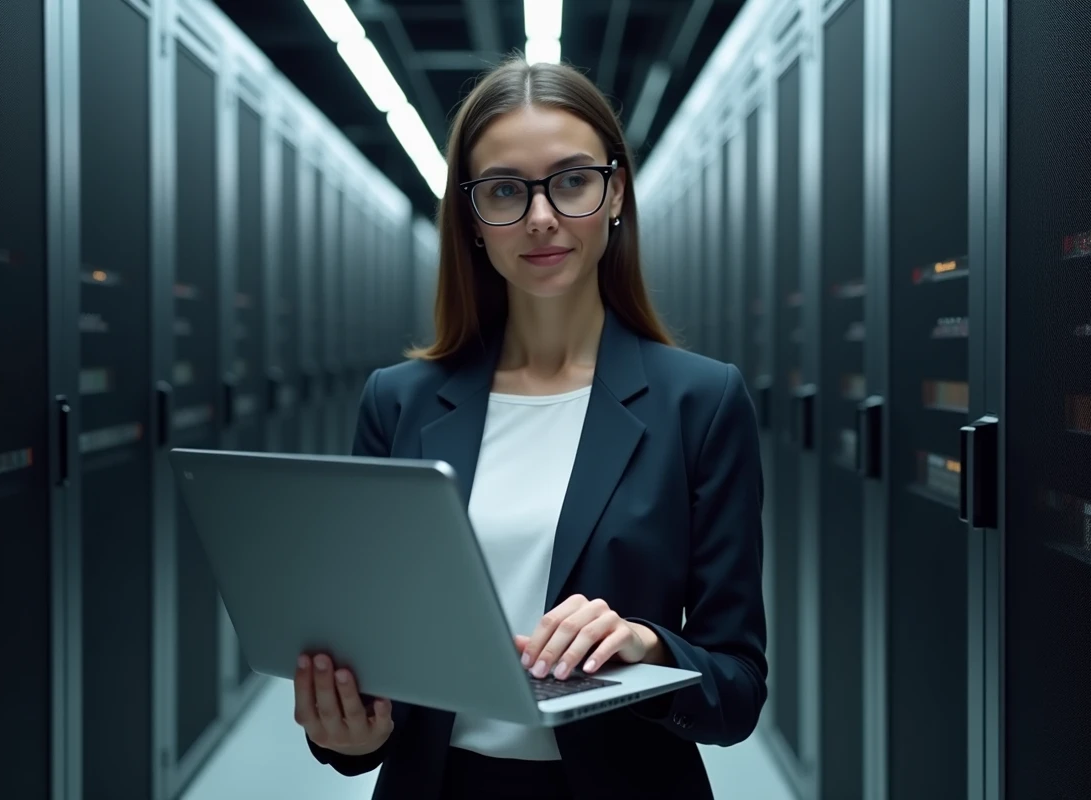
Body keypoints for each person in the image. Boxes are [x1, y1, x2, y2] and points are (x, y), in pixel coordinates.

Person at [292, 55, 768, 799]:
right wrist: (350, 736)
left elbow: (736, 689)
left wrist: (646, 647)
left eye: (572, 180)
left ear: (615, 194)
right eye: (506, 190)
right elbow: (377, 663)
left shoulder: (700, 402)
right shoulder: (400, 402)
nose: (541, 216)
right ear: (473, 220)